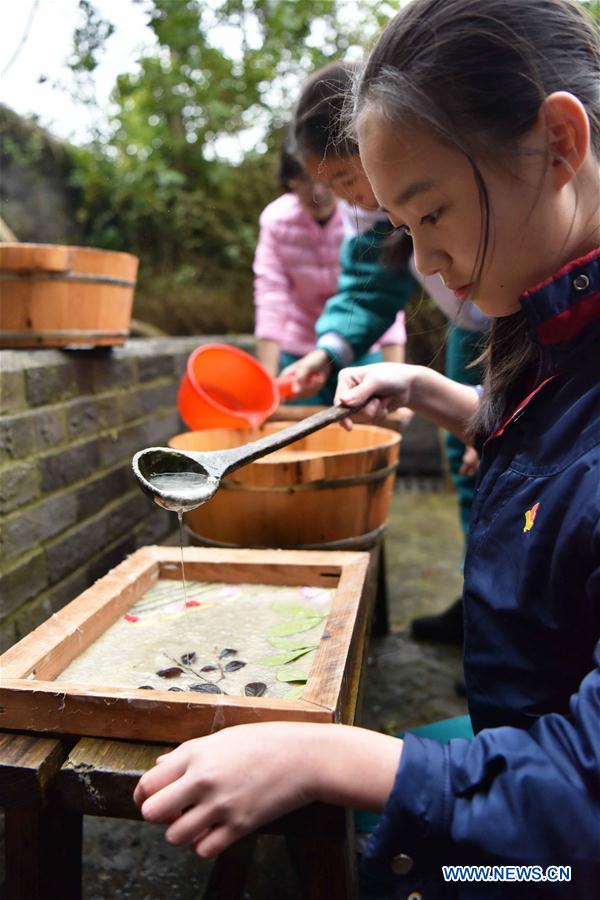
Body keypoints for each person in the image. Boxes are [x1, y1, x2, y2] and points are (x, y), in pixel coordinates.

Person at [134, 1, 600, 896]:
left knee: (372, 824)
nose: (424, 265)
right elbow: (564, 456)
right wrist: (435, 394)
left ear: (558, 142)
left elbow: (583, 795)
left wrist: (322, 754)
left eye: (432, 213)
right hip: (521, 729)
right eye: (400, 227)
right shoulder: (551, 323)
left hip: (564, 840)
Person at [288, 58, 492, 644]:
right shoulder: (370, 214)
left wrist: (496, 417)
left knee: (500, 464)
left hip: (516, 325)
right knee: (466, 467)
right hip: (468, 328)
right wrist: (327, 351)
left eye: (347, 176)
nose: (348, 196)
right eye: (333, 187)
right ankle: (480, 596)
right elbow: (367, 288)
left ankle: (512, 611)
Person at [253, 142, 408, 405]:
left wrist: (396, 372)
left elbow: (379, 295)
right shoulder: (276, 221)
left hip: (362, 346)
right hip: (300, 354)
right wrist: (267, 386)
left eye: (324, 181)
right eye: (304, 181)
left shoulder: (364, 215)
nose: (317, 192)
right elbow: (271, 296)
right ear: (289, 181)